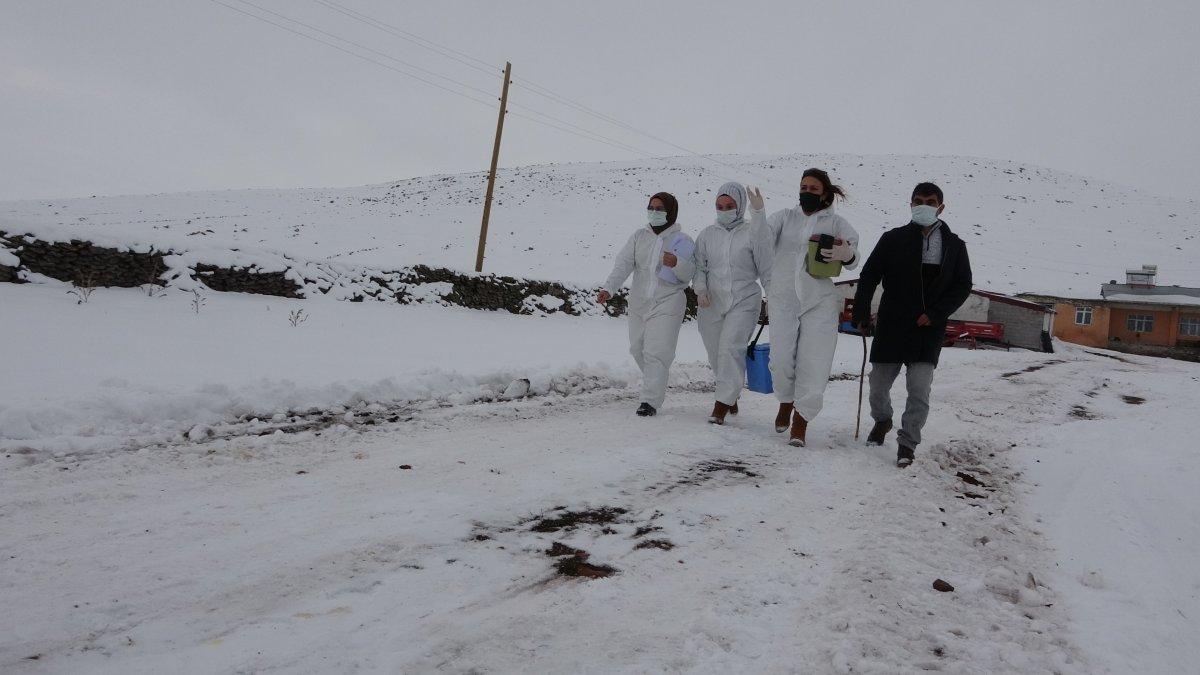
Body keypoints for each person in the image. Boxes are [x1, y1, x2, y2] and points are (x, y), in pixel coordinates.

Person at [852, 182, 972, 467]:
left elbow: (962, 285)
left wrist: (936, 313)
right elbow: (869, 276)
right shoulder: (892, 239)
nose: (924, 205)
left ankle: (907, 443)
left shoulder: (955, 246)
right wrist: (860, 312)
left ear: (941, 207)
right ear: (910, 204)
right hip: (892, 323)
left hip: (928, 329)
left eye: (930, 201)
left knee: (919, 390)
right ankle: (882, 420)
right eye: (918, 200)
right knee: (878, 386)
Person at [749, 169, 859, 446]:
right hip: (783, 299)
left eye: (813, 188)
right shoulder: (785, 217)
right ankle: (785, 400)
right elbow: (760, 241)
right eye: (803, 187)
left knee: (814, 362)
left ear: (824, 192)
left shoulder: (836, 223)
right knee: (780, 360)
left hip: (818, 301)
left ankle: (802, 418)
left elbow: (853, 255)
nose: (806, 192)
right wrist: (759, 213)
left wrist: (846, 254)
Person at [598, 192, 696, 417]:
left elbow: (690, 274)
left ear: (670, 212)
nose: (654, 212)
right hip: (640, 301)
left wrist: (677, 263)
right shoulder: (639, 236)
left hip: (669, 301)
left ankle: (649, 401)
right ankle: (657, 377)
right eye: (651, 207)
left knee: (656, 351)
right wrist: (608, 288)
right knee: (637, 348)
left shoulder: (682, 240)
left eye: (659, 209)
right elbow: (623, 264)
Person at [693, 182, 773, 425]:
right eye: (719, 206)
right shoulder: (707, 234)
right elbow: (699, 266)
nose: (724, 210)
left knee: (730, 348)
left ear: (739, 207)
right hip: (712, 302)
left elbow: (766, 265)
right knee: (715, 352)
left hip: (744, 299)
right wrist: (701, 290)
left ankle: (721, 405)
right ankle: (730, 394)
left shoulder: (752, 233)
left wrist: (772, 297)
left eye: (729, 206)